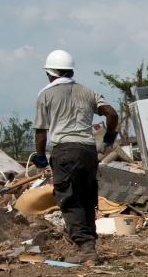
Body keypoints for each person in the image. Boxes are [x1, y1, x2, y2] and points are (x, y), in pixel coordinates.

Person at [33, 49, 119, 265]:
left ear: (49, 73)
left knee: (70, 199)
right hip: (89, 151)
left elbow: (41, 132)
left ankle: (86, 249)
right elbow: (112, 113)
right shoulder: (88, 92)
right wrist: (109, 136)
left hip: (64, 152)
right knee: (87, 198)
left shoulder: (45, 95)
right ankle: (88, 246)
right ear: (70, 71)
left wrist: (41, 156)